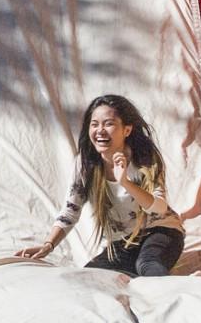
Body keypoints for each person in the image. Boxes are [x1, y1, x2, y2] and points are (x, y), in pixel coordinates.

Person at [15, 94, 185, 276]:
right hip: (123, 243)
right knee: (89, 277)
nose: (100, 130)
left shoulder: (144, 157)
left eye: (109, 124)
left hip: (161, 231)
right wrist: (48, 245)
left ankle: (189, 287)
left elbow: (159, 208)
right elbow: (70, 210)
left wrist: (125, 183)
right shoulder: (86, 163)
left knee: (147, 264)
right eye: (94, 124)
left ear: (127, 130)